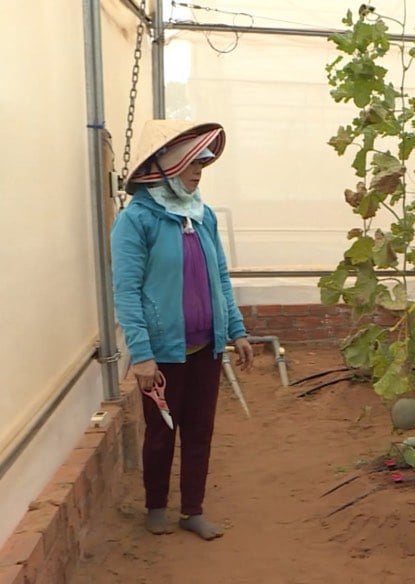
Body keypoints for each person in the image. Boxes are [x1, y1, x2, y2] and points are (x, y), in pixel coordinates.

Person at [111, 120, 253, 540]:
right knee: (161, 434)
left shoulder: (201, 215)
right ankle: (156, 505)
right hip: (163, 354)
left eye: (202, 168)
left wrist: (237, 331)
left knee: (199, 431)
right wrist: (141, 354)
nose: (198, 174)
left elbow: (221, 278)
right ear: (165, 166)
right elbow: (127, 290)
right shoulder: (136, 220)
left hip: (205, 348)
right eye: (192, 165)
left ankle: (192, 510)